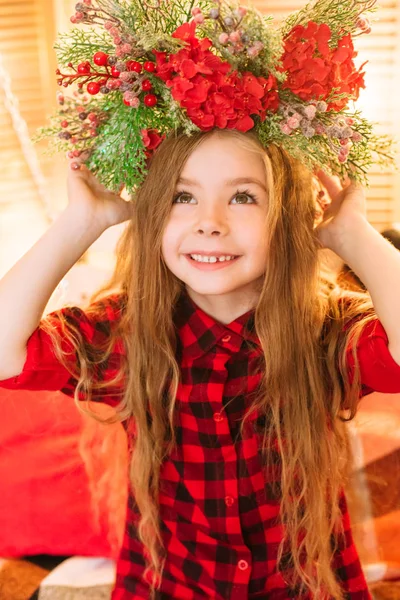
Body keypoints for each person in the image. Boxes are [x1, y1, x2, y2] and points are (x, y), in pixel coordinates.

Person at [1, 1, 400, 599]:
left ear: (286, 218)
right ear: (154, 214)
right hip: (168, 585)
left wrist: (352, 236)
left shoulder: (326, 331)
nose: (209, 223)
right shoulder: (126, 334)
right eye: (184, 198)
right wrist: (79, 224)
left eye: (243, 198)